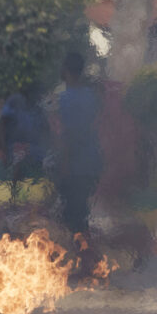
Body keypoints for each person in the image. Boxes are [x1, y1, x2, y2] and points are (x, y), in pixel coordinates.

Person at [54, 52, 101, 237]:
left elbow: (69, 135)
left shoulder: (65, 99)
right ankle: (83, 254)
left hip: (74, 164)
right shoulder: (91, 96)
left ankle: (77, 257)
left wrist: (64, 164)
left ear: (65, 70)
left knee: (71, 216)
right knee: (81, 212)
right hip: (92, 161)